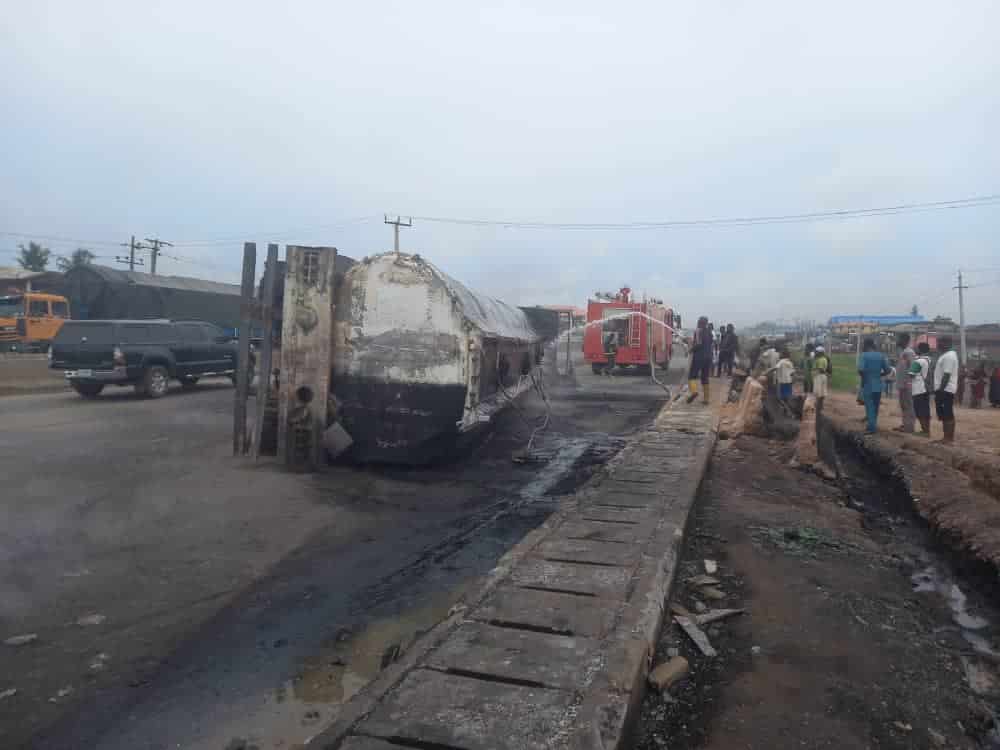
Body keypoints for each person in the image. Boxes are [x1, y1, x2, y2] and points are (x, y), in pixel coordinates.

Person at [858, 338, 891, 434]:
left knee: (869, 406)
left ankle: (871, 428)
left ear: (866, 346)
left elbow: (860, 369)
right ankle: (873, 425)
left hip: (868, 384)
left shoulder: (864, 355)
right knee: (876, 406)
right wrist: (879, 375)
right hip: (878, 384)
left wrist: (865, 378)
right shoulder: (881, 355)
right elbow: (888, 370)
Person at [933, 336, 959, 444]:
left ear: (947, 343)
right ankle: (946, 438)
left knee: (947, 413)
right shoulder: (947, 355)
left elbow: (946, 375)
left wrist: (940, 390)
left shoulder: (949, 356)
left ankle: (949, 438)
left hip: (945, 389)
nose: (938, 345)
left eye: (940, 342)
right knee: (944, 413)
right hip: (944, 389)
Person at [686, 316, 712, 404]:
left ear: (700, 323)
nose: (697, 323)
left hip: (699, 357)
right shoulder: (709, 332)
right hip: (708, 357)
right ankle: (706, 399)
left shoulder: (698, 330)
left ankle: (694, 392)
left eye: (698, 321)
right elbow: (708, 344)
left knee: (691, 376)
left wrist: (691, 349)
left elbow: (699, 344)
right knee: (705, 377)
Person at [909, 342, 932, 436]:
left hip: (918, 389)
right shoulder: (929, 360)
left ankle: (925, 431)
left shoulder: (918, 361)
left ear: (919, 350)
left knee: (919, 411)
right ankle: (927, 430)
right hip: (927, 389)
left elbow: (911, 374)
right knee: (926, 410)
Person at [895, 333, 916, 433]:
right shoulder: (903, 352)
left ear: (905, 340)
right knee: (903, 405)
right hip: (902, 384)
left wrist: (909, 382)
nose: (898, 341)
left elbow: (913, 368)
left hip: (907, 384)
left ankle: (909, 427)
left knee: (908, 405)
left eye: (899, 338)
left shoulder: (909, 352)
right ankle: (905, 425)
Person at [813, 345, 831, 414]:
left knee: (818, 393)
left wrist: (815, 372)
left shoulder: (820, 359)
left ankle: (818, 406)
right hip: (823, 377)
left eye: (816, 352)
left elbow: (820, 369)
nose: (815, 353)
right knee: (822, 392)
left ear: (820, 352)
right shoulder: (824, 359)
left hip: (819, 377)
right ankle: (820, 406)